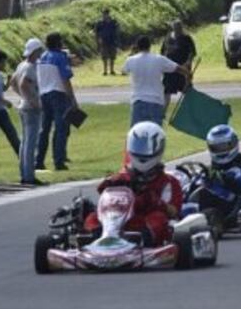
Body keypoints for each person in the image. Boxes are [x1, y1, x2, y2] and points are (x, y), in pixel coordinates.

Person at [83, 122, 184, 246]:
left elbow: (173, 212)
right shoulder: (121, 177)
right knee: (92, 217)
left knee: (158, 218)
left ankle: (143, 242)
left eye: (146, 147)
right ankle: (97, 241)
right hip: (119, 219)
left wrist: (154, 201)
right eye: (139, 146)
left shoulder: (168, 182)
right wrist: (108, 186)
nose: (142, 151)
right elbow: (104, 196)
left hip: (143, 222)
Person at [191, 124, 241, 217]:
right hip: (196, 209)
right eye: (216, 148)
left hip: (226, 211)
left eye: (223, 146)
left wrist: (223, 179)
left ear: (234, 143)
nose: (220, 151)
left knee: (205, 195)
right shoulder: (207, 171)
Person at [123, 35, 191, 126]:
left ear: (137, 47)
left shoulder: (130, 60)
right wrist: (188, 76)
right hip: (156, 100)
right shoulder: (158, 59)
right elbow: (179, 69)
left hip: (138, 100)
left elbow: (124, 70)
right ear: (149, 46)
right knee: (155, 131)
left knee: (137, 131)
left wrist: (132, 53)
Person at [36, 32, 76, 171]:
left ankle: (39, 160)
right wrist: (72, 99)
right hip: (58, 93)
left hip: (44, 93)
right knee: (61, 128)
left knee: (45, 129)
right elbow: (65, 79)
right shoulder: (59, 57)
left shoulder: (42, 57)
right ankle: (58, 160)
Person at [10, 38, 44, 185]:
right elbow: (23, 84)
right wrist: (33, 101)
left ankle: (24, 172)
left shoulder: (21, 65)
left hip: (23, 106)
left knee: (25, 141)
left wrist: (22, 97)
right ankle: (29, 175)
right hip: (31, 108)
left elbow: (13, 82)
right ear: (35, 51)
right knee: (31, 142)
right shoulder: (30, 67)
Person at [159, 20, 196, 110]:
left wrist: (188, 63)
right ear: (173, 27)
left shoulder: (186, 38)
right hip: (169, 70)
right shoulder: (167, 38)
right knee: (166, 92)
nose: (177, 29)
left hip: (182, 69)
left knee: (187, 91)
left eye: (179, 27)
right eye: (175, 27)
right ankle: (162, 112)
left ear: (181, 28)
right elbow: (163, 53)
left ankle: (190, 110)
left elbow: (192, 52)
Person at [93, 8, 120, 76]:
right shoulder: (99, 23)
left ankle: (112, 70)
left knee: (112, 57)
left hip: (112, 41)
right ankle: (105, 71)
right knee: (104, 57)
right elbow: (96, 33)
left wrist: (117, 41)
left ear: (108, 14)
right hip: (103, 42)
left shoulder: (113, 22)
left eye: (106, 14)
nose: (105, 15)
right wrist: (97, 42)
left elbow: (117, 31)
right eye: (104, 14)